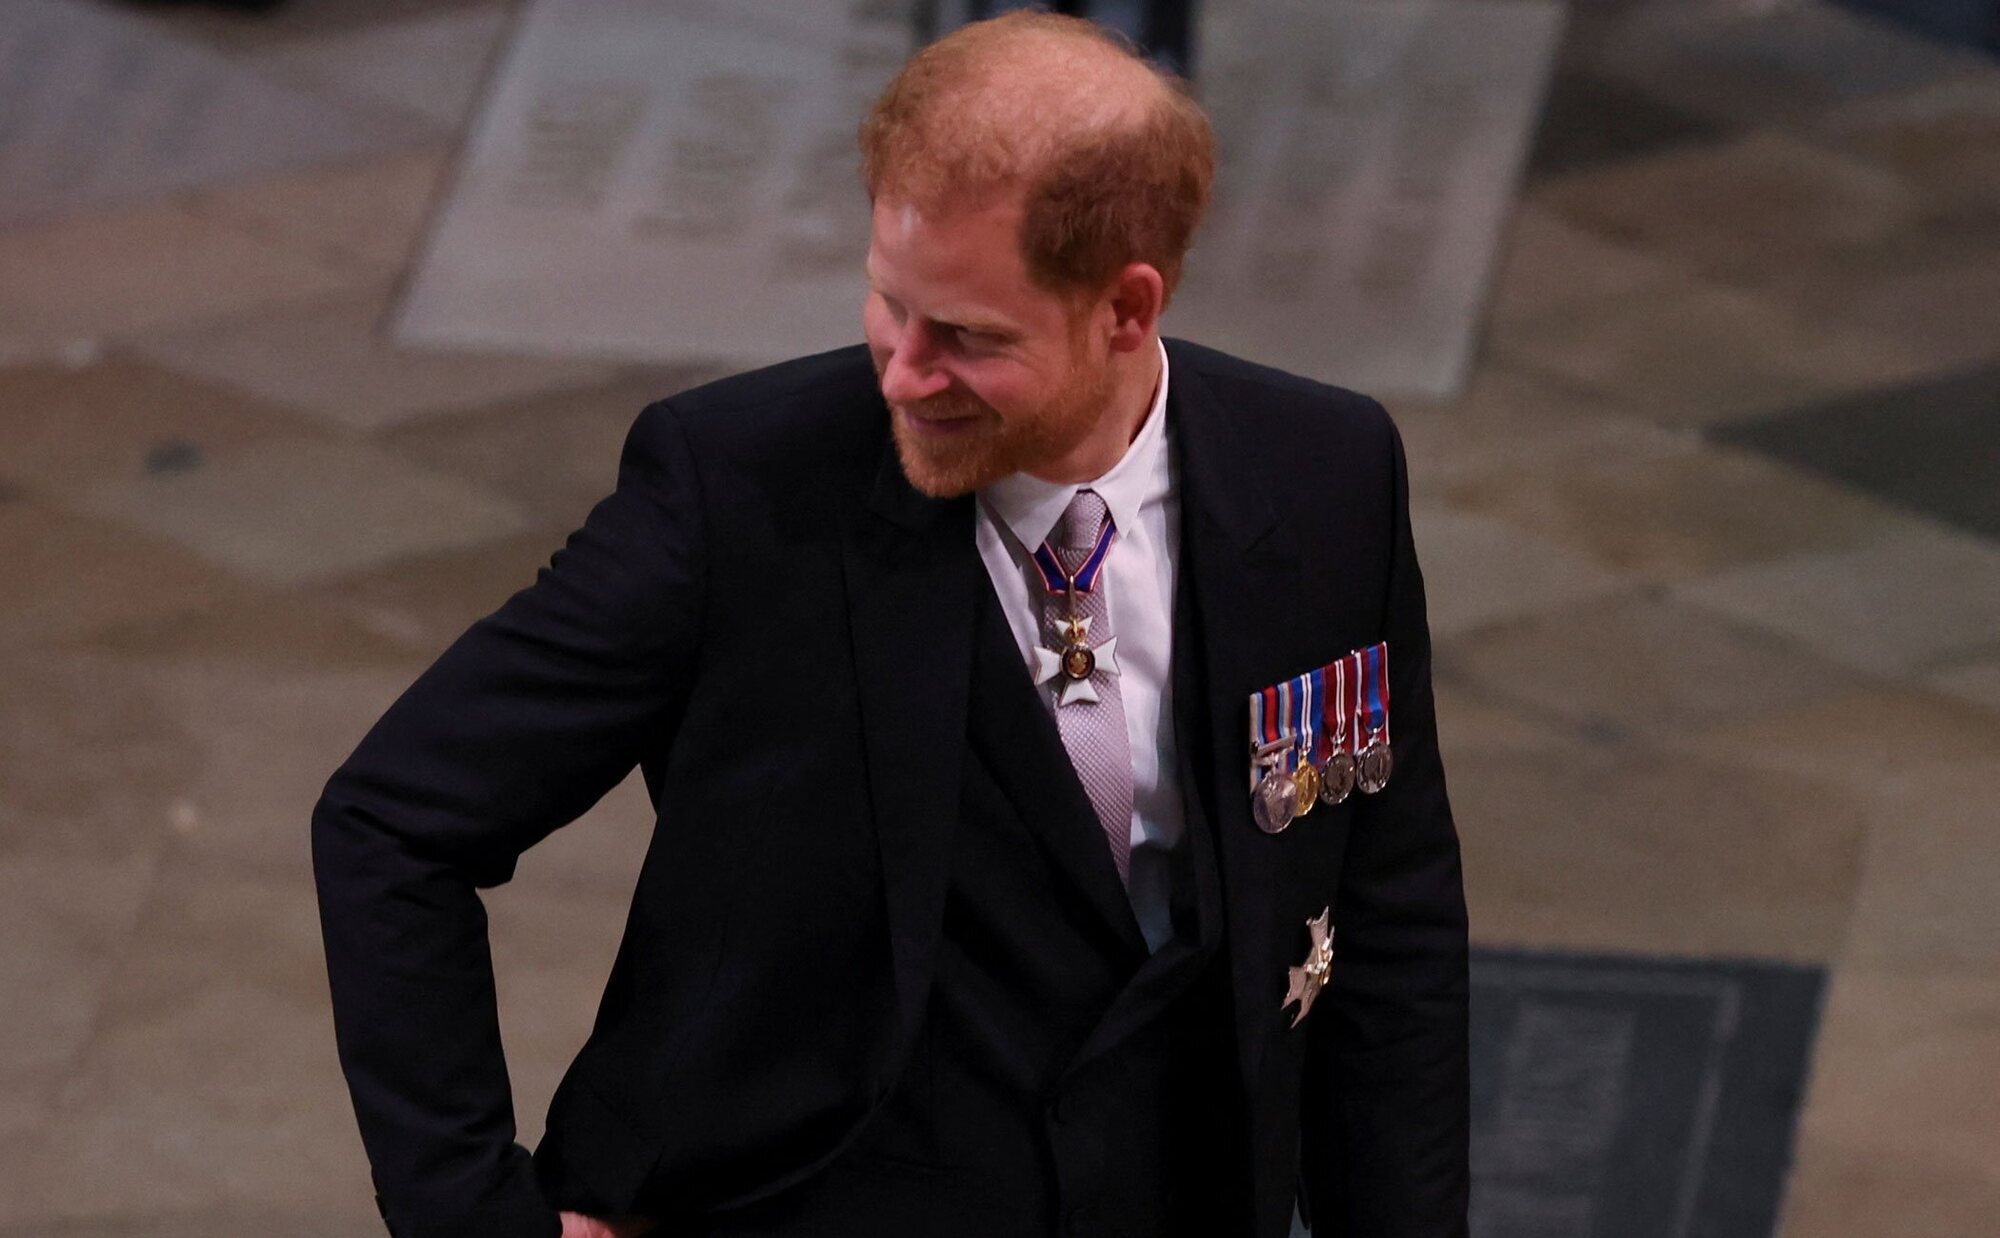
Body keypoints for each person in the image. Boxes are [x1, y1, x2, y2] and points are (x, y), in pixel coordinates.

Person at [313, 13, 1468, 1238]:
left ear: (1127, 309)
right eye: (886, 300)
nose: (902, 371)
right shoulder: (735, 492)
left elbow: (1386, 910)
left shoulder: (1326, 472)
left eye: (966, 336)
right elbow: (392, 820)